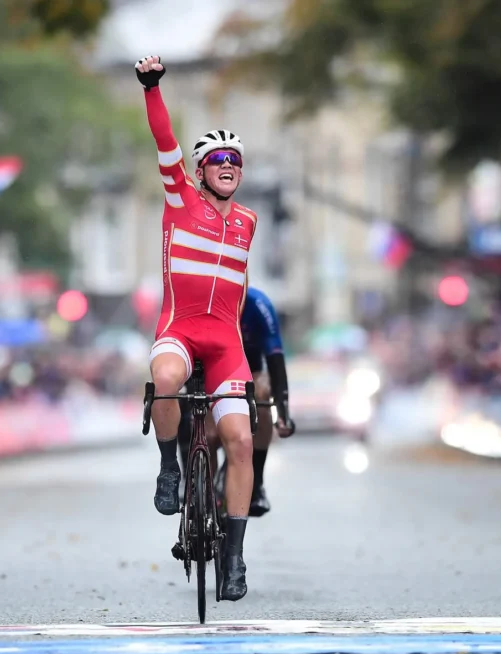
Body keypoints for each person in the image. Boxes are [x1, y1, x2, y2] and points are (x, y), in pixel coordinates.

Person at [137, 55, 257, 601]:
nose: (228, 165)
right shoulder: (179, 199)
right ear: (203, 170)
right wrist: (152, 89)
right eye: (218, 159)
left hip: (225, 342)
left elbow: (239, 289)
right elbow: (165, 142)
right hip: (181, 330)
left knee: (241, 440)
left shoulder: (249, 222)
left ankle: (234, 560)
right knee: (164, 378)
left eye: (236, 159)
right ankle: (169, 469)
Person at [177, 287, 295, 516]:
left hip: (250, 370)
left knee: (261, 395)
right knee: (191, 409)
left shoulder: (258, 306)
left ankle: (257, 483)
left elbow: (275, 361)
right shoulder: (203, 301)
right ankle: (194, 483)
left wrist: (283, 411)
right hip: (206, 368)